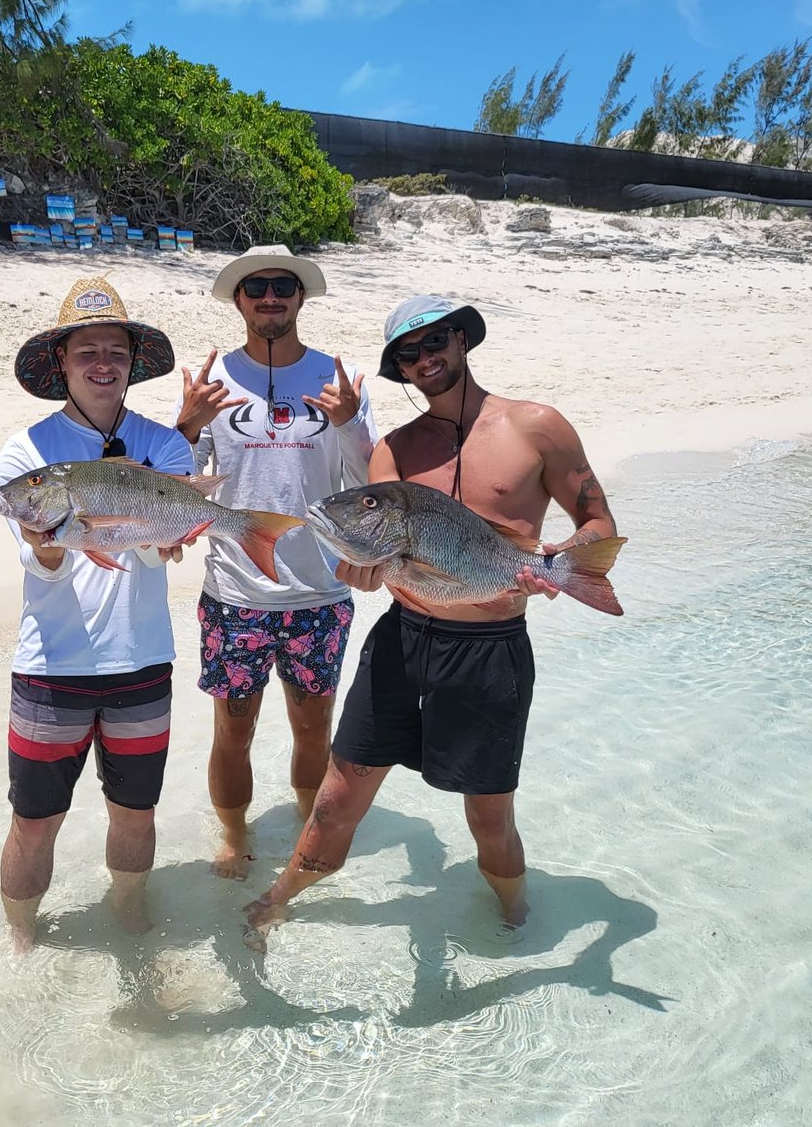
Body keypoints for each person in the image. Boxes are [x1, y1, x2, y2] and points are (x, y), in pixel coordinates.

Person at [243, 294, 619, 949]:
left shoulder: (537, 426)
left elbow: (598, 521)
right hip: (403, 642)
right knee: (335, 800)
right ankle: (279, 899)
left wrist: (559, 561)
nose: (425, 359)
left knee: (489, 819)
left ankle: (517, 923)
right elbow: (378, 556)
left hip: (492, 651)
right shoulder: (394, 452)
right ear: (401, 369)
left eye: (435, 341)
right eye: (409, 353)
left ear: (461, 340)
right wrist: (362, 574)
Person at [0, 276, 193, 951]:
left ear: (133, 363)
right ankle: (21, 938)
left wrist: (164, 538)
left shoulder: (166, 448)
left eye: (116, 351)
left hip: (142, 660)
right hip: (51, 666)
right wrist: (46, 546)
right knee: (34, 821)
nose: (102, 364)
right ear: (62, 363)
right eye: (86, 352)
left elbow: (158, 556)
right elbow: (39, 564)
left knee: (136, 814)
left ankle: (129, 916)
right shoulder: (27, 454)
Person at [175, 244, 379, 879]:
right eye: (256, 287)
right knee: (232, 731)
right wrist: (186, 427)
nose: (270, 297)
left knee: (314, 730)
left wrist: (349, 424)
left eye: (283, 286)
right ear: (239, 299)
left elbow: (367, 484)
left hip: (321, 594)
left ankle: (305, 831)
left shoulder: (337, 381)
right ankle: (234, 837)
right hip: (235, 597)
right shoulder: (214, 382)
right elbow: (176, 486)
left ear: (300, 297)